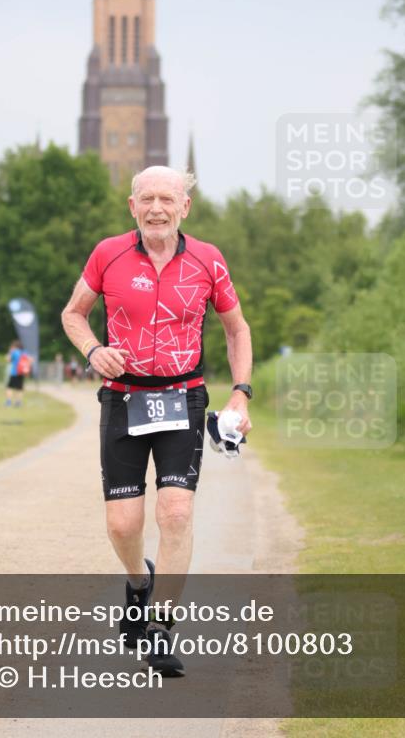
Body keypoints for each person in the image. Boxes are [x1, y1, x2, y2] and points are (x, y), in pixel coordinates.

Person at [61, 165, 252, 676]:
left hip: (183, 397)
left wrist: (241, 395)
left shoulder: (209, 260)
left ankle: (161, 627)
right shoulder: (108, 253)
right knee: (123, 524)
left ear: (184, 207)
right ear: (132, 206)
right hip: (122, 399)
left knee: (175, 514)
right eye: (146, 198)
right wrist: (92, 348)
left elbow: (237, 330)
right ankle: (139, 584)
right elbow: (73, 313)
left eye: (167, 198)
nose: (156, 208)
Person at [4, 340, 28, 407]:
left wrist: (9, 352)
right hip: (21, 373)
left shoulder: (14, 352)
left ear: (14, 346)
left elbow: (8, 360)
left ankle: (8, 402)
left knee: (9, 387)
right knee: (19, 388)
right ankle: (18, 402)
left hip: (14, 373)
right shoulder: (24, 352)